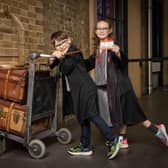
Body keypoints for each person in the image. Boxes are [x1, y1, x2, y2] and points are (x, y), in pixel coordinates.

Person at [85, 20, 168, 149]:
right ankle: (124, 138)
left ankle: (158, 131)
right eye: (98, 28)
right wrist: (70, 59)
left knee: (135, 115)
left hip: (122, 87)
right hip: (111, 89)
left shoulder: (113, 47)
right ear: (95, 32)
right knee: (123, 113)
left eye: (104, 28)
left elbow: (123, 62)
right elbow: (86, 65)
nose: (101, 30)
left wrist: (118, 53)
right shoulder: (97, 51)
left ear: (110, 30)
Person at [49, 30, 123, 159]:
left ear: (69, 40)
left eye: (62, 43)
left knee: (92, 115)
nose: (61, 47)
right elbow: (52, 65)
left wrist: (59, 57)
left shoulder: (74, 52)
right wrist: (52, 58)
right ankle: (85, 146)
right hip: (78, 91)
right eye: (57, 45)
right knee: (83, 117)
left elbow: (65, 68)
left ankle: (113, 139)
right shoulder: (65, 54)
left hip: (86, 89)